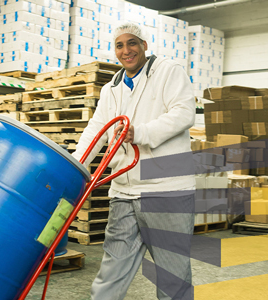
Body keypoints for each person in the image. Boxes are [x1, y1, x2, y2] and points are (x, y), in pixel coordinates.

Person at [71, 23, 196, 300]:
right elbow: (97, 129)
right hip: (124, 193)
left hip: (166, 191)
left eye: (132, 43)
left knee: (172, 276)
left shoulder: (167, 71)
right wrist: (74, 166)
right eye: (119, 45)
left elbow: (184, 112)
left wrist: (141, 133)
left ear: (144, 45)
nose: (126, 50)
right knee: (111, 272)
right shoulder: (112, 88)